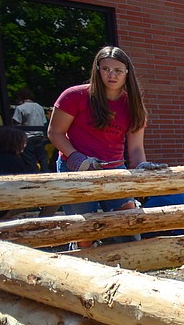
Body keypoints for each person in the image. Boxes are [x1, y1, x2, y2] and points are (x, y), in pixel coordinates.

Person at [47, 46, 165, 247]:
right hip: (77, 169)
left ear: (127, 73)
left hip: (115, 170)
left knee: (128, 221)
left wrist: (142, 166)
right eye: (106, 69)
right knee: (84, 231)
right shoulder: (74, 96)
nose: (112, 75)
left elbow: (135, 149)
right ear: (97, 70)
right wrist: (76, 158)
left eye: (118, 70)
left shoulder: (133, 105)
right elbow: (55, 132)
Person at [11, 91, 49, 171]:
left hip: (27, 137)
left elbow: (17, 124)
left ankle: (33, 174)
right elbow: (44, 122)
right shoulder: (39, 107)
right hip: (39, 136)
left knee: (29, 160)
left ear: (20, 98)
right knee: (42, 159)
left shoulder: (20, 108)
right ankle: (46, 172)